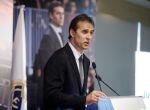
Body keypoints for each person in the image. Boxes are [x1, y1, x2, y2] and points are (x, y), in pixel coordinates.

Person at [44, 14, 106, 110]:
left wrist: (86, 101)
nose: (89, 37)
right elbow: (52, 95)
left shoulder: (86, 61)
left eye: (91, 32)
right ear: (72, 32)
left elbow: (80, 94)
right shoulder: (59, 57)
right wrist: (84, 100)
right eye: (85, 32)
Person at [33, 1, 65, 110]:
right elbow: (48, 65)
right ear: (51, 15)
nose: (61, 17)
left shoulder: (59, 34)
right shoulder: (48, 35)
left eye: (63, 14)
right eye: (58, 13)